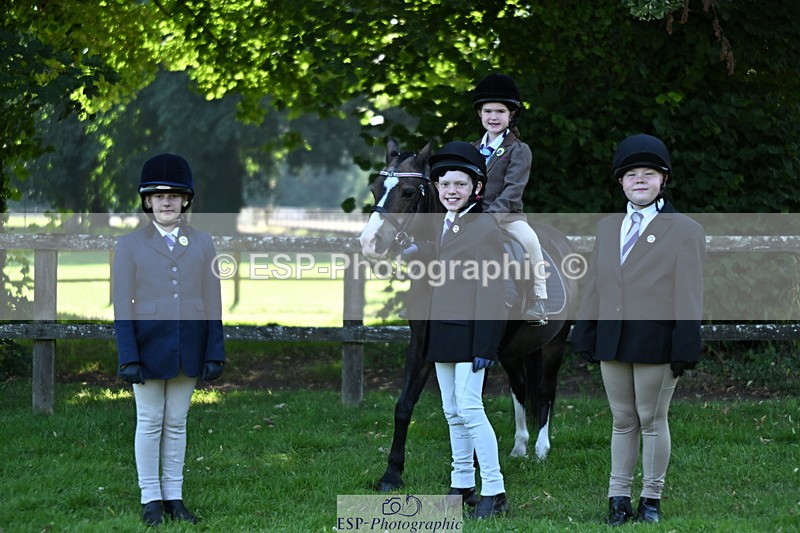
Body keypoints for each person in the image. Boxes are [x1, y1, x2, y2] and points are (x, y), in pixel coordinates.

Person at [571, 134, 705, 525]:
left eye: (649, 173)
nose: (640, 180)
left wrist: (685, 343)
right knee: (622, 419)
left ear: (664, 180)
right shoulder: (607, 227)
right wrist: (586, 331)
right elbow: (595, 283)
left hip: (656, 341)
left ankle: (651, 499)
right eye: (631, 174)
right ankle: (618, 498)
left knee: (651, 418)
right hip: (613, 339)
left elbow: (689, 293)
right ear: (621, 182)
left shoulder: (685, 230)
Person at [113, 153, 226, 527]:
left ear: (185, 200)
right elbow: (122, 306)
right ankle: (150, 499)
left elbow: (213, 301)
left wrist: (214, 351)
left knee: (176, 422)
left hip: (190, 347)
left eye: (174, 196)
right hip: (146, 348)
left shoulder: (203, 242)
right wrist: (128, 356)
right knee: (149, 421)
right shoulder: (129, 245)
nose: (166, 202)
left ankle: (174, 497)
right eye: (159, 196)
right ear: (147, 201)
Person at [407, 141, 509, 518]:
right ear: (436, 187)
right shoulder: (442, 225)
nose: (452, 191)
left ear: (476, 188)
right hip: (443, 330)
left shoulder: (486, 229)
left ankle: (495, 489)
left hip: (472, 334)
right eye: (445, 184)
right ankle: (462, 484)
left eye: (460, 185)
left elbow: (493, 291)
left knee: (469, 407)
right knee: (451, 410)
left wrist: (485, 344)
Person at [471, 72, 548, 324]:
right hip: (470, 216)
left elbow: (513, 189)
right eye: (488, 111)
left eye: (500, 112)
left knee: (530, 241)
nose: (493, 117)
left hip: (507, 218)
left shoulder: (519, 150)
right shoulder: (470, 150)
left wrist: (490, 217)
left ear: (511, 114)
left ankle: (538, 299)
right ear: (479, 113)